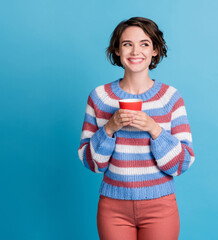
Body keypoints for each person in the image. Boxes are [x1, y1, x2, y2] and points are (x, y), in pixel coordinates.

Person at [77, 17, 195, 240]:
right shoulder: (99, 97)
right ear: (117, 51)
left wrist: (154, 129)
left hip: (161, 207)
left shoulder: (170, 98)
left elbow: (183, 163)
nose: (135, 51)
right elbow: (91, 163)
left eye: (144, 44)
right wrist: (109, 128)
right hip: (113, 208)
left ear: (155, 51)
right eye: (127, 44)